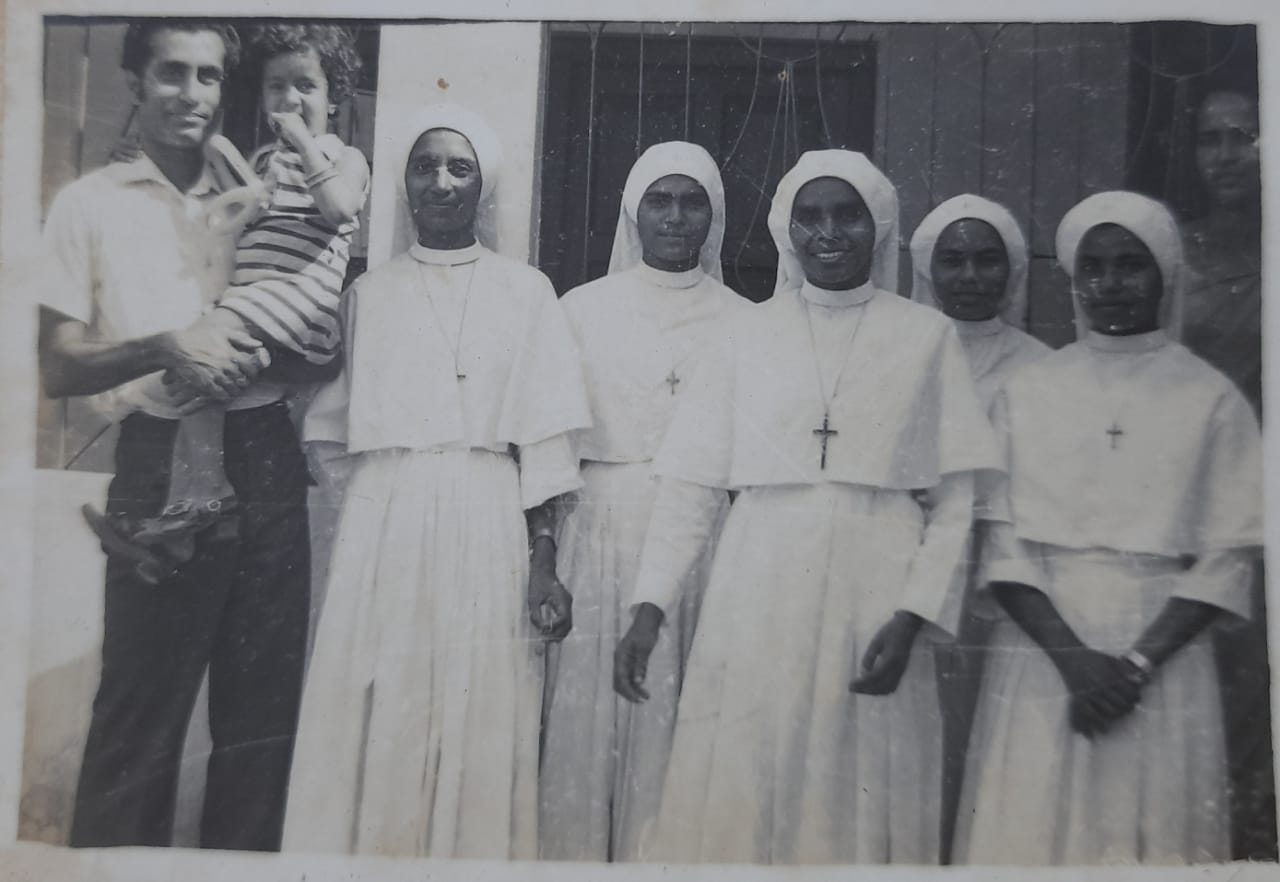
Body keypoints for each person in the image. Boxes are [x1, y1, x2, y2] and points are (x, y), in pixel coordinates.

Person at [613, 150, 999, 864]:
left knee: (857, 773)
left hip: (877, 581)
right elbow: (692, 486)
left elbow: (955, 503)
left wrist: (915, 612)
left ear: (878, 224)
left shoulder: (925, 337)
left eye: (846, 215)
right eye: (810, 217)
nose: (829, 233)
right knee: (752, 765)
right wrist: (649, 606)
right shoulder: (744, 334)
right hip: (759, 574)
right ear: (786, 229)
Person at [36, 21, 328, 850]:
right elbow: (56, 366)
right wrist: (168, 344)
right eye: (172, 74)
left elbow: (319, 315)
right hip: (158, 459)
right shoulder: (88, 206)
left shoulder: (263, 185)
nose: (191, 95)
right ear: (134, 83)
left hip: (264, 451)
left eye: (207, 77)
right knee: (140, 719)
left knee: (260, 725)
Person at [281, 104, 591, 859]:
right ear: (405, 185)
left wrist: (542, 558)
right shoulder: (368, 295)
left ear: (484, 185)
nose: (442, 182)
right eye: (426, 166)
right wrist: (383, 507)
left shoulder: (527, 292)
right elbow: (330, 432)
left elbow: (546, 439)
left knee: (475, 708)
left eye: (460, 167)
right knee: (380, 701)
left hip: (487, 515)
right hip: (385, 520)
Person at [954, 191, 1263, 864]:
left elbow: (1227, 558)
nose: (1110, 284)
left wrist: (1135, 667)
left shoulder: (1209, 396)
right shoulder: (1031, 391)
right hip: (1043, 653)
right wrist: (1075, 661)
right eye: (1093, 267)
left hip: (1160, 658)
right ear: (1073, 278)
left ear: (1164, 275)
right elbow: (1004, 546)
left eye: (1131, 266)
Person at [81, 24, 369, 579]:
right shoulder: (266, 161)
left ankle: (202, 493)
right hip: (255, 302)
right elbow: (238, 216)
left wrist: (307, 146)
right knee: (195, 379)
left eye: (306, 86)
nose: (290, 100)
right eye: (276, 88)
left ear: (335, 99)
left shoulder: (343, 156)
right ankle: (190, 512)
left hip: (294, 304)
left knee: (197, 359)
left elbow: (338, 210)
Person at [538, 142, 742, 862]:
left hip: (708, 536)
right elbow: (552, 440)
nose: (677, 218)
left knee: (691, 709)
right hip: (604, 528)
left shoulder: (747, 319)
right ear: (633, 212)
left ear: (714, 217)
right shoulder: (581, 309)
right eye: (661, 201)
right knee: (598, 715)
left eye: (693, 203)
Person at [907, 194, 1052, 860]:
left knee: (979, 740)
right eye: (954, 260)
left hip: (999, 581)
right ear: (926, 268)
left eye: (987, 260)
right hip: (903, 565)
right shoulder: (902, 350)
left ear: (1013, 269)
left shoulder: (1042, 366)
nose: (970, 276)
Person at [1180, 89, 1274, 861]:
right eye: (1212, 139)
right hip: (1197, 492)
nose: (1227, 154)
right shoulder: (1182, 251)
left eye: (1244, 136)